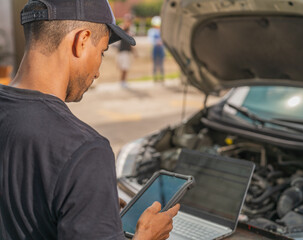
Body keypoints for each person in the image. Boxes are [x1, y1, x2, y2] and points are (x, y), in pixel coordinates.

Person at [0, 0, 179, 240]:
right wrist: (147, 236)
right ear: (81, 40)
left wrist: (87, 199)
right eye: (102, 52)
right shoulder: (85, 150)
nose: (97, 71)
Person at [116, 14, 135, 88]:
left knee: (125, 68)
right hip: (121, 51)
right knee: (122, 67)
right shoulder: (122, 28)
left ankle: (123, 81)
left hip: (127, 51)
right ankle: (122, 81)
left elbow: (131, 44)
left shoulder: (130, 31)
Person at [148, 16, 165, 83]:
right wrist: (157, 42)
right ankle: (155, 78)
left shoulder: (161, 31)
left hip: (161, 48)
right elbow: (151, 40)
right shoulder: (152, 31)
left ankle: (161, 78)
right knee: (155, 64)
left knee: (161, 64)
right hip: (155, 48)